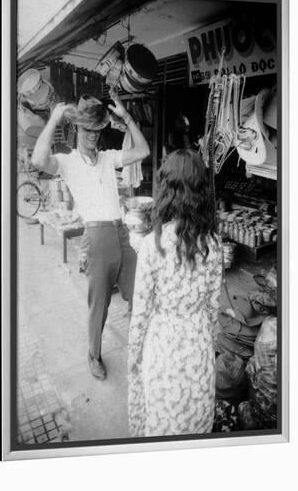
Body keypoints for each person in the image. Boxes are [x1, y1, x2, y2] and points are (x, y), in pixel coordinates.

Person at [32, 93, 150, 381]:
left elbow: (143, 151)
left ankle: (141, 349)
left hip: (121, 233)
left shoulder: (109, 158)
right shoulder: (67, 162)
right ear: (76, 130)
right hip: (96, 238)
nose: (92, 137)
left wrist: (127, 118)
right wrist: (54, 119)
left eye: (97, 131)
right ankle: (93, 355)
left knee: (141, 294)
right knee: (99, 305)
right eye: (87, 130)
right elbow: (38, 159)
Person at [128, 149, 223, 437]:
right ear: (200, 192)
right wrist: (207, 340)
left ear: (166, 189)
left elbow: (141, 314)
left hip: (163, 348)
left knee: (163, 422)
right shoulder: (214, 244)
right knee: (195, 418)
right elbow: (212, 308)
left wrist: (134, 357)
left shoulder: (151, 246)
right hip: (198, 345)